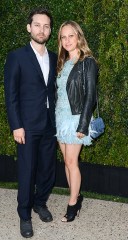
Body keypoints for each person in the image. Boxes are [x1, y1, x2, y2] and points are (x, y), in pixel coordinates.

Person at [4, 7, 57, 238]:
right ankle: (24, 215)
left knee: (47, 169)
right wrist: (16, 125)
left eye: (46, 26)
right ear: (29, 28)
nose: (41, 30)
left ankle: (40, 203)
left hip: (50, 124)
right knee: (27, 171)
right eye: (37, 25)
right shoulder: (17, 57)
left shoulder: (55, 57)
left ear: (50, 30)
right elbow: (11, 94)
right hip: (26, 125)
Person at [55, 21, 98, 222]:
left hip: (75, 119)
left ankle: (73, 204)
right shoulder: (62, 62)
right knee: (67, 161)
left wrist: (83, 125)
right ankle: (76, 195)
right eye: (63, 37)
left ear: (79, 37)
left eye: (71, 36)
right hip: (60, 117)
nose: (67, 40)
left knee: (72, 162)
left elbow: (90, 96)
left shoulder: (87, 62)